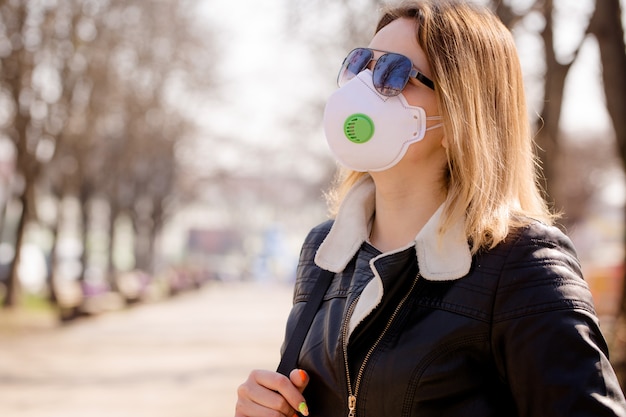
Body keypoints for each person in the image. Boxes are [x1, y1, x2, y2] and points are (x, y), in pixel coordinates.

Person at [235, 1, 626, 416]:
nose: (363, 88)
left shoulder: (525, 264)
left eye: (393, 73)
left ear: (461, 113)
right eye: (360, 65)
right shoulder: (323, 253)